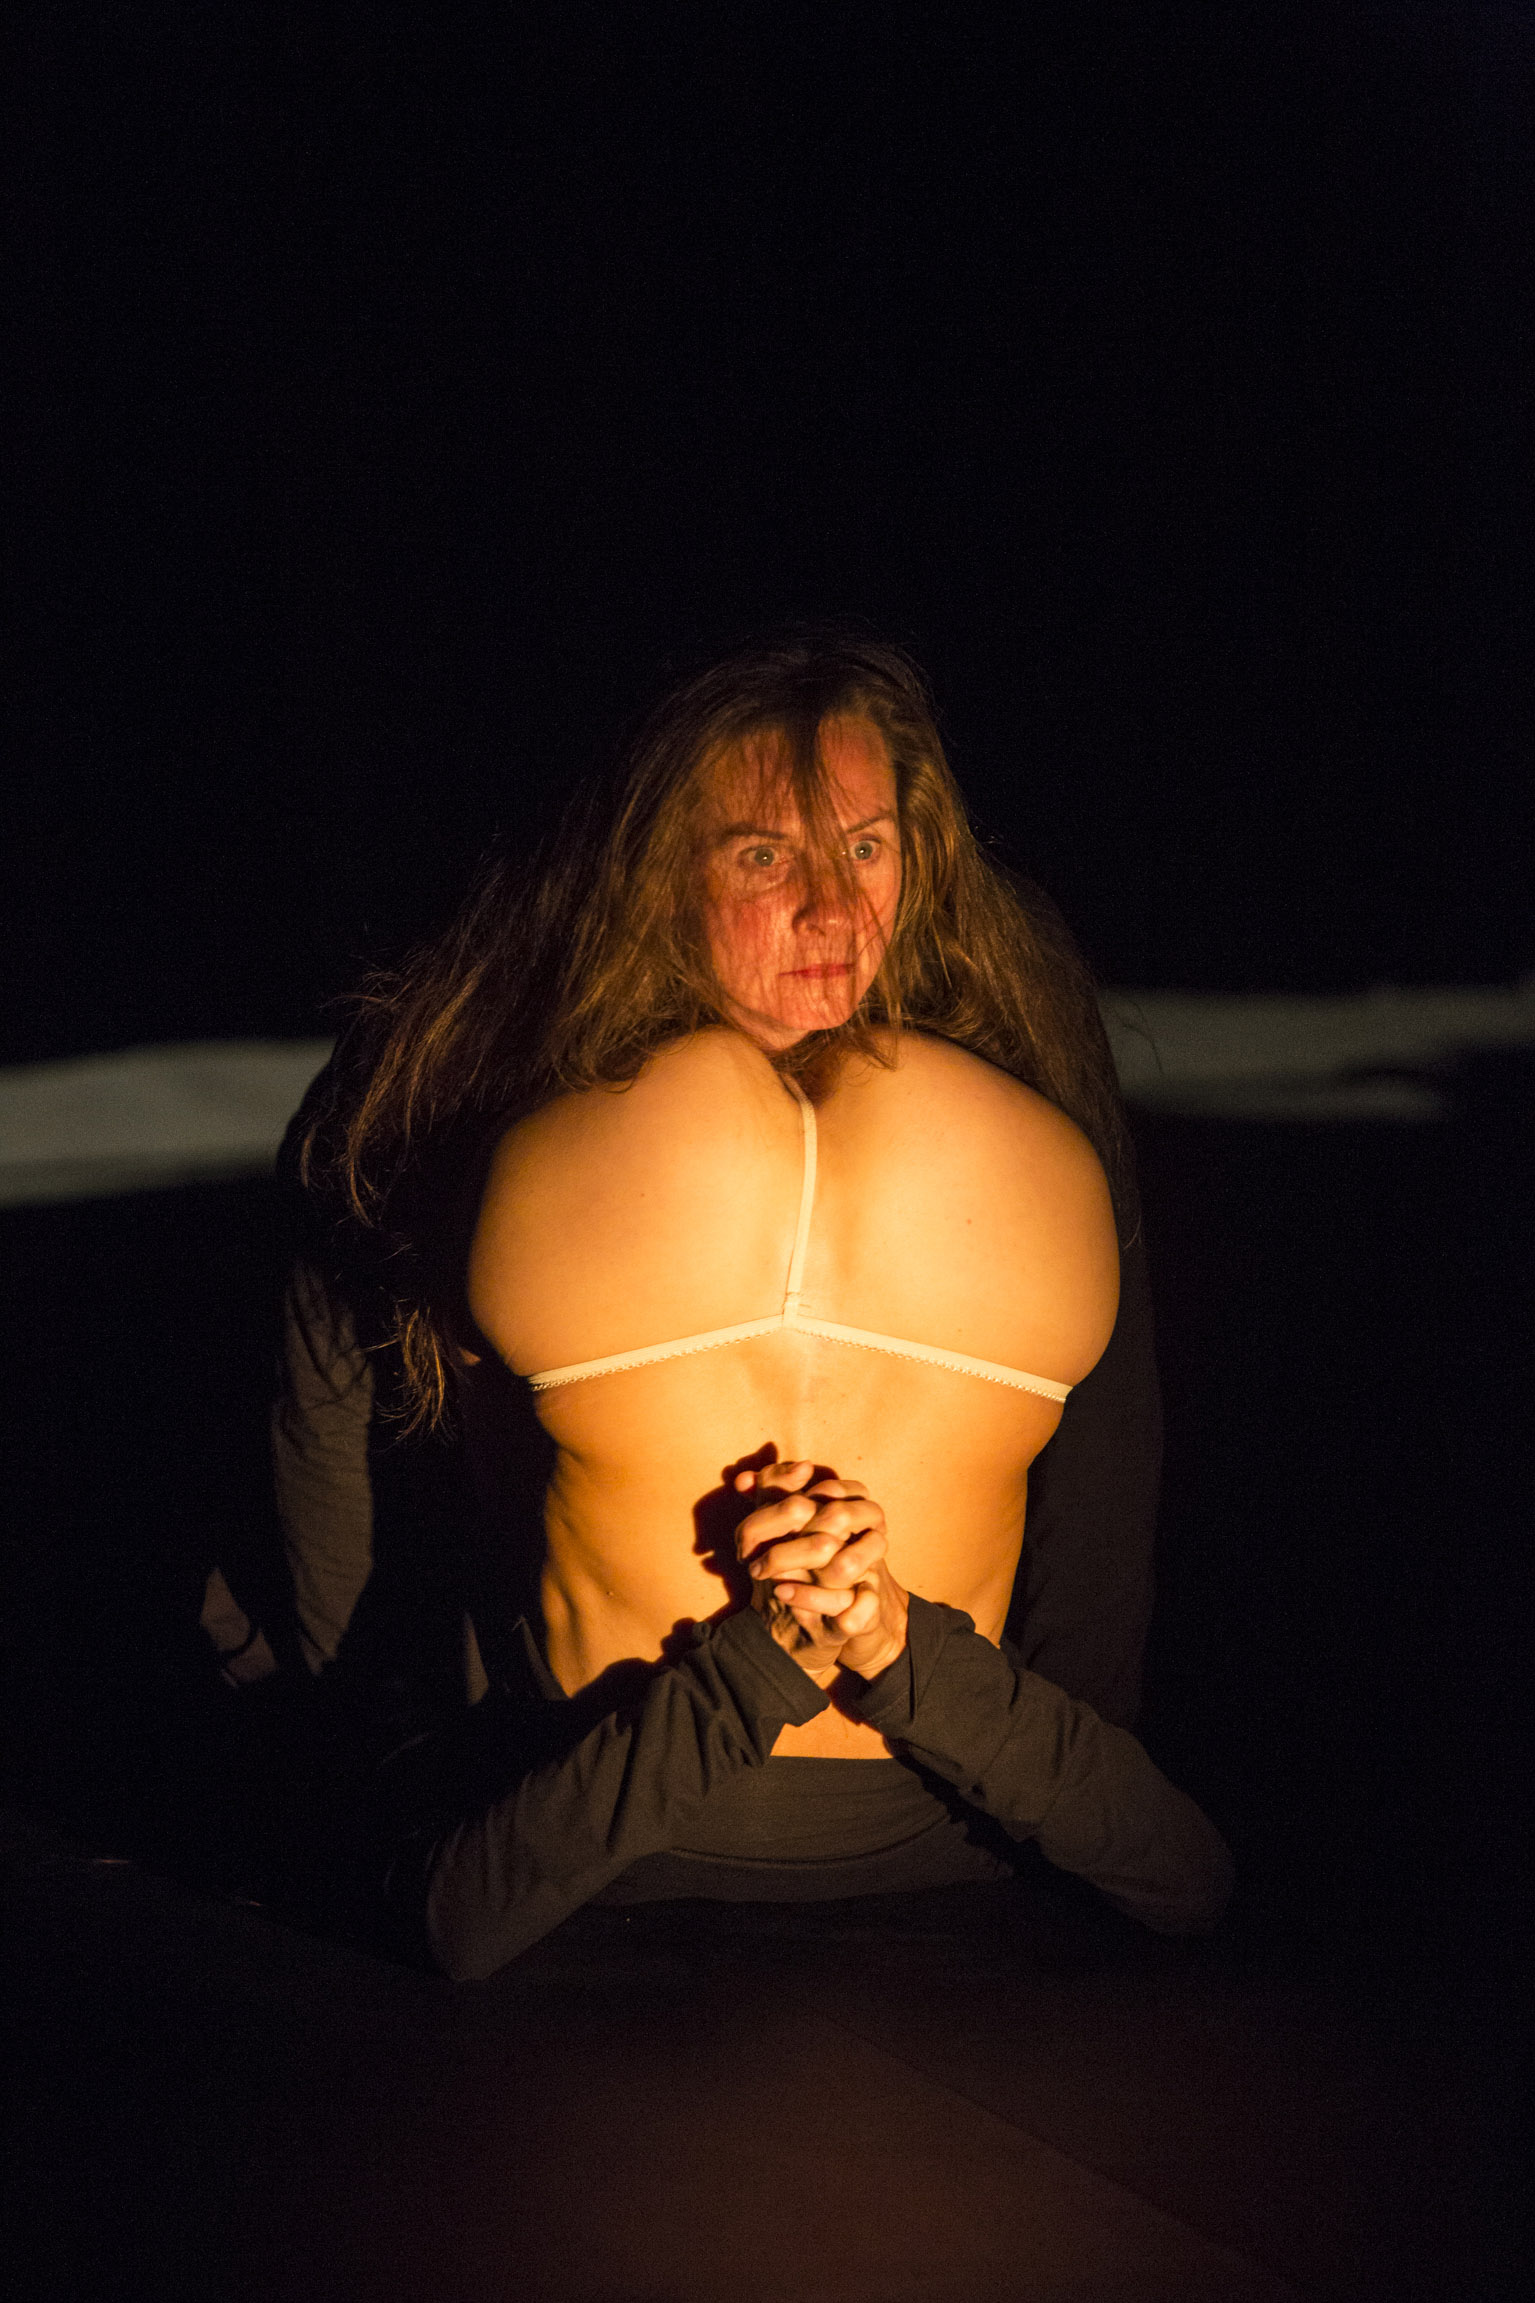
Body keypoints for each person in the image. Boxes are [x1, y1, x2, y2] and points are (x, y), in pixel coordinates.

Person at [279, 634, 1230, 1977]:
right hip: (787, 1788)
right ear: (656, 874)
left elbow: (1109, 1471)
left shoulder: (1004, 1086)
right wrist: (856, 1651)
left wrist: (910, 1668)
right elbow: (334, 1393)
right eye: (765, 858)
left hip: (822, 1798)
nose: (835, 916)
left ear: (920, 852)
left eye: (868, 849)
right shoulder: (500, 1083)